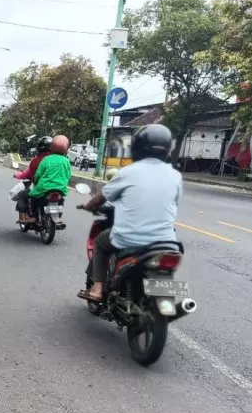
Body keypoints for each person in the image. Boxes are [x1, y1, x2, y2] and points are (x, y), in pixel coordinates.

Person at [78, 124, 183, 302]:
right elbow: (174, 201)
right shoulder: (175, 175)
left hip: (130, 239)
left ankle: (96, 289)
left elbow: (101, 198)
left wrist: (90, 206)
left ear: (136, 147)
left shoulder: (128, 172)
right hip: (167, 243)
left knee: (100, 243)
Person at [25, 135, 72, 221]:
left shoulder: (46, 159)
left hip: (45, 187)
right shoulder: (66, 161)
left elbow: (38, 174)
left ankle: (33, 216)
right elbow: (68, 176)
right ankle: (57, 216)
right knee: (61, 199)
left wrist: (35, 181)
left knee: (31, 196)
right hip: (61, 188)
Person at [13, 136, 54, 222]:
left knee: (21, 196)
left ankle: (27, 217)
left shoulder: (37, 161)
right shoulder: (58, 160)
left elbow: (30, 174)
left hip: (40, 187)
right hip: (56, 187)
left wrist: (17, 175)